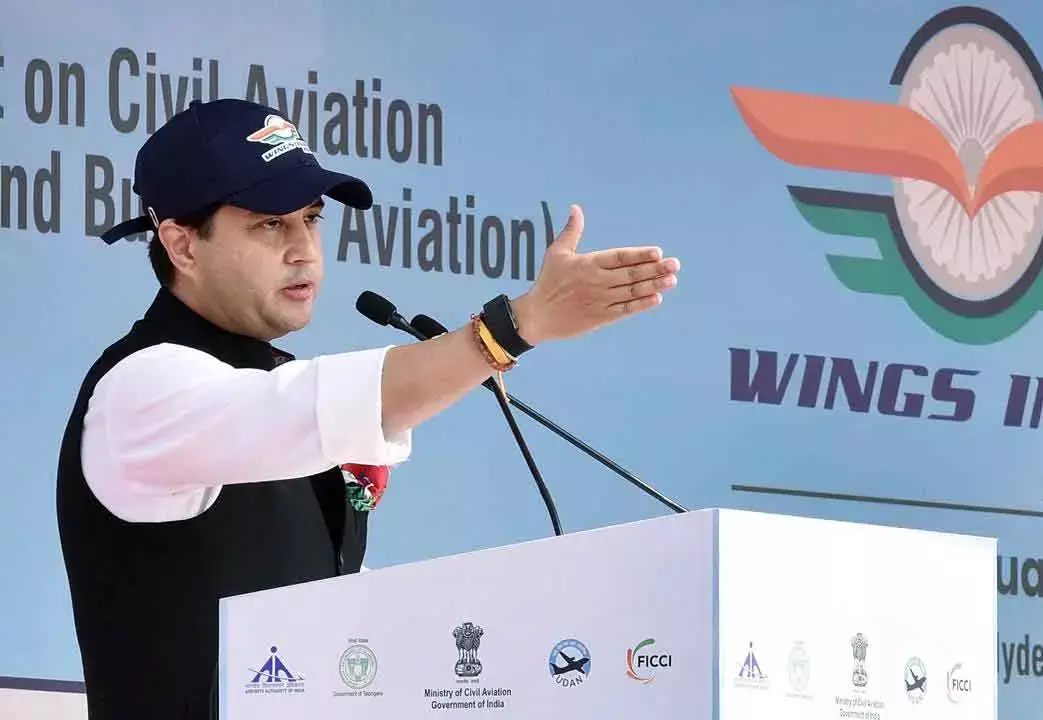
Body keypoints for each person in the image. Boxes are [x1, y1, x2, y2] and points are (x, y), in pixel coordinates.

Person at [55, 98, 680, 719]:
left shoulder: (267, 377)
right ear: (183, 246)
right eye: (270, 224)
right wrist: (521, 324)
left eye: (311, 219)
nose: (304, 250)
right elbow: (334, 404)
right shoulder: (142, 387)